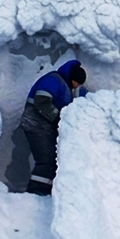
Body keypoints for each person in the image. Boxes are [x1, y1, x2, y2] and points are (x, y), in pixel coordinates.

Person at [18, 59, 87, 196]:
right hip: (36, 124)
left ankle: (44, 190)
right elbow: (42, 101)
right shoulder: (54, 80)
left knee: (52, 159)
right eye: (77, 82)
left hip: (44, 127)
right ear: (73, 78)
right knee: (47, 159)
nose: (76, 85)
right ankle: (36, 193)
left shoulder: (65, 87)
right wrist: (59, 119)